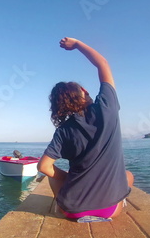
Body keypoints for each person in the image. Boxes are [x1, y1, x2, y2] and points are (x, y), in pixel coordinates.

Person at [38, 37, 134, 219]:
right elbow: (102, 63)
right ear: (84, 91)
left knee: (52, 176)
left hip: (71, 211)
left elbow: (43, 166)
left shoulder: (63, 130)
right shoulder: (107, 108)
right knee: (128, 176)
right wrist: (77, 45)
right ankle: (118, 201)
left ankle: (59, 206)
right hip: (107, 211)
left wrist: (67, 178)